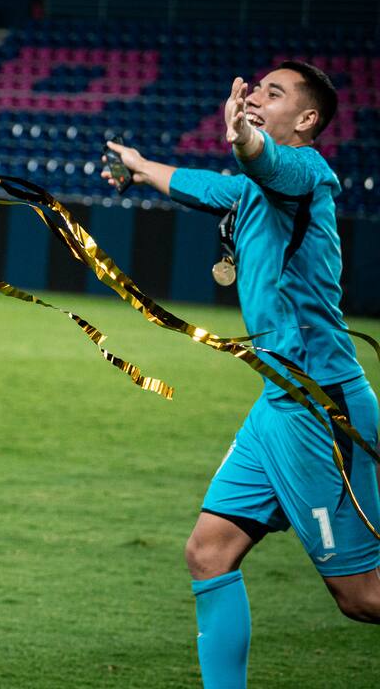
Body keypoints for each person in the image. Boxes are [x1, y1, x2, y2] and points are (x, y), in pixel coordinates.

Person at [101, 61, 380, 688]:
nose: (256, 96)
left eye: (273, 93)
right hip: (277, 405)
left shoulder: (304, 171)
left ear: (307, 120)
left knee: (361, 595)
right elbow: (203, 184)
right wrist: (139, 164)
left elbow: (262, 161)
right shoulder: (254, 189)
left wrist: (243, 139)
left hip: (319, 407)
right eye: (256, 89)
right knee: (208, 552)